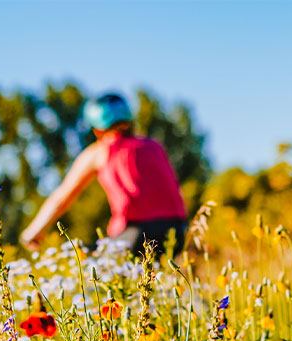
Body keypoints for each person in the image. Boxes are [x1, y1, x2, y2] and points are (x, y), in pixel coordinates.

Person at [21, 93, 188, 259]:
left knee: (90, 268)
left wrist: (33, 232)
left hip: (135, 235)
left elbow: (62, 196)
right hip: (178, 232)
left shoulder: (101, 151)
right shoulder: (154, 146)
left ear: (97, 128)